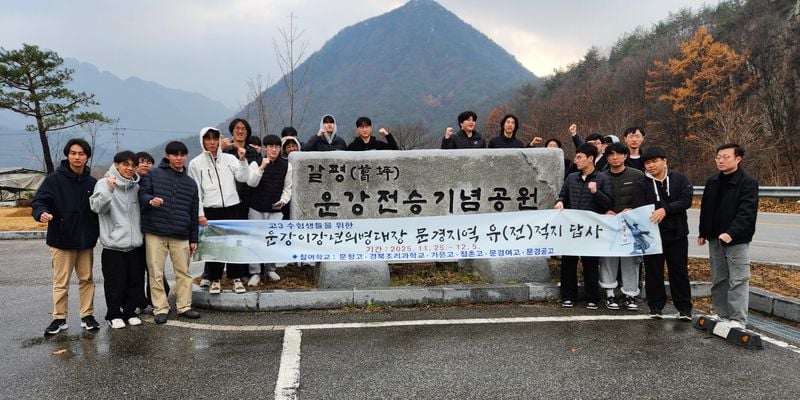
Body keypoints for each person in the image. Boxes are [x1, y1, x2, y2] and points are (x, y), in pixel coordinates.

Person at [32, 138, 101, 335]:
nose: (77, 157)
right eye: (73, 153)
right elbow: (39, 201)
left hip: (85, 241)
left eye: (81, 153)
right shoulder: (54, 179)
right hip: (61, 240)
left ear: (87, 156)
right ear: (67, 155)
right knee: (61, 282)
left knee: (86, 279)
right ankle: (59, 318)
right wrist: (41, 213)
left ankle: (87, 316)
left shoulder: (92, 182)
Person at [138, 141, 201, 324]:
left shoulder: (190, 183)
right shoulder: (153, 174)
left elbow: (193, 212)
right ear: (167, 156)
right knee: (155, 272)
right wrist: (150, 200)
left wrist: (193, 238)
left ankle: (184, 306)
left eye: (182, 154)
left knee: (183, 272)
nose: (179, 158)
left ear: (186, 156)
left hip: (181, 234)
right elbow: (142, 195)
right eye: (175, 154)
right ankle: (160, 308)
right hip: (155, 232)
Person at [697, 143, 758, 329]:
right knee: (719, 278)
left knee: (738, 279)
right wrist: (703, 232)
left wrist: (732, 232)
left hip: (736, 239)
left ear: (738, 159)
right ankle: (722, 314)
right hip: (715, 237)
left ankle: (738, 319)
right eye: (718, 157)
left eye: (726, 157)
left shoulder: (747, 182)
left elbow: (747, 212)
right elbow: (706, 208)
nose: (721, 160)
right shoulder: (713, 181)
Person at [632, 147, 694, 320]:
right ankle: (655, 307)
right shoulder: (642, 184)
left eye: (654, 161)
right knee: (654, 272)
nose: (650, 166)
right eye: (647, 163)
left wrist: (665, 210)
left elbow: (686, 200)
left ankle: (684, 308)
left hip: (677, 234)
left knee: (679, 271)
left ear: (664, 160)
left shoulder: (680, 179)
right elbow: (639, 206)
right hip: (652, 236)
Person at [188, 127, 250, 295]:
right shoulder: (195, 164)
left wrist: (243, 161)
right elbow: (197, 193)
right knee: (214, 247)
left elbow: (243, 178)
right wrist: (200, 213)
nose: (212, 142)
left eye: (215, 138)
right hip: (211, 209)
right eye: (208, 139)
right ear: (202, 141)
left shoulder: (230, 159)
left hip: (232, 207)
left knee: (233, 244)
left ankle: (236, 278)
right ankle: (215, 279)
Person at [89, 150, 145, 329]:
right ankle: (114, 314)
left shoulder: (136, 187)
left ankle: (130, 311)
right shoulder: (103, 183)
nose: (129, 168)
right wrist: (109, 191)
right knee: (115, 283)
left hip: (135, 244)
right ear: (117, 164)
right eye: (125, 164)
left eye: (132, 165)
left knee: (134, 281)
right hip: (113, 246)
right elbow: (96, 207)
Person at [554, 143, 612, 310]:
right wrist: (559, 202)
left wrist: (596, 192)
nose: (576, 160)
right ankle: (568, 296)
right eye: (576, 157)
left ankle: (592, 297)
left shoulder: (602, 178)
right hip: (571, 227)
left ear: (591, 159)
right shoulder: (572, 177)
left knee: (590, 263)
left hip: (590, 229)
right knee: (569, 263)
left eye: (580, 157)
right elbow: (563, 195)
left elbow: (608, 203)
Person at [599, 142, 644, 311]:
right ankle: (610, 295)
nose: (615, 158)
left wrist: (633, 209)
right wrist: (605, 211)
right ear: (607, 157)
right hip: (608, 225)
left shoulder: (637, 175)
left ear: (625, 156)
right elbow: (597, 199)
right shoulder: (601, 176)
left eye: (619, 154)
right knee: (608, 259)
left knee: (630, 260)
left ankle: (631, 295)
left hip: (631, 225)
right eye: (611, 155)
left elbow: (644, 198)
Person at [247, 135, 293, 284]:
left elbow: (288, 188)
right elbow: (251, 183)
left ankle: (271, 269)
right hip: (257, 207)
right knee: (255, 239)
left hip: (276, 209)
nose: (274, 149)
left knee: (273, 239)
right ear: (265, 148)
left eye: (277, 146)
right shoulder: (256, 163)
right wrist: (262, 168)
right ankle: (255, 272)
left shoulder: (287, 165)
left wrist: (283, 201)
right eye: (271, 146)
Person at [134, 151, 169, 309]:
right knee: (137, 268)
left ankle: (157, 298)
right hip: (134, 231)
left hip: (153, 229)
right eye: (141, 161)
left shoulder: (157, 182)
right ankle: (139, 300)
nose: (145, 164)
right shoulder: (130, 182)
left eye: (149, 162)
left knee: (155, 267)